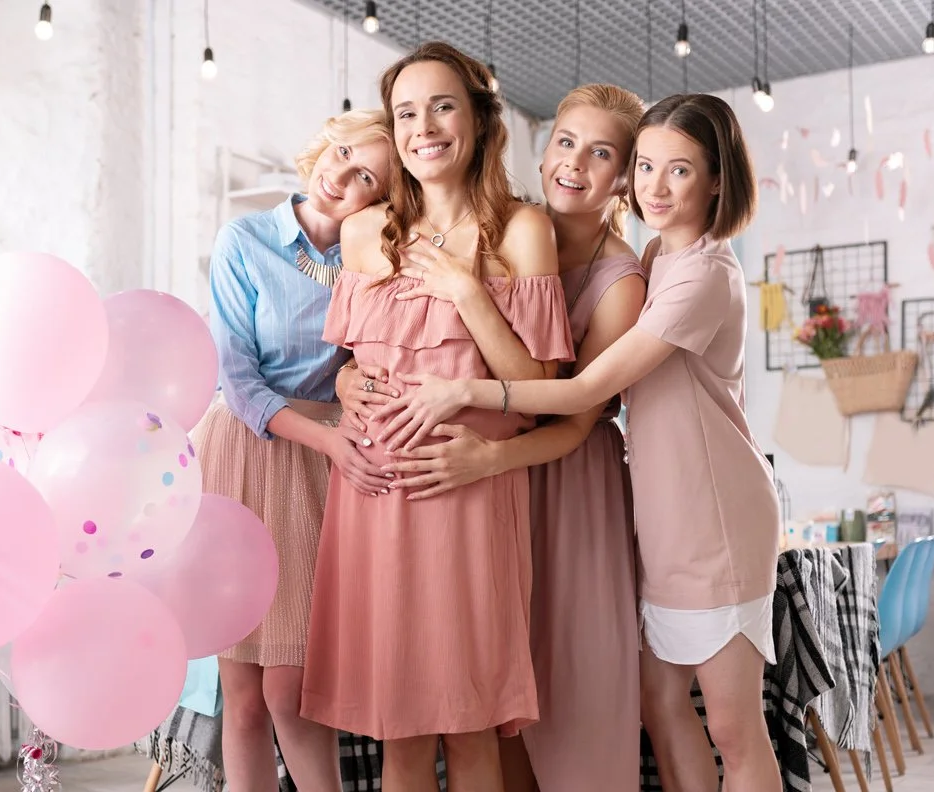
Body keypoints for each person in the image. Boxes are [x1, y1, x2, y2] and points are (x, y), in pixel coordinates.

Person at [377, 93, 783, 792]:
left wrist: (468, 394)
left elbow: (580, 396)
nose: (655, 185)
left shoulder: (673, 274)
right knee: (655, 705)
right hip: (649, 508)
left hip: (701, 514)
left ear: (714, 180)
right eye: (648, 166)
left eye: (672, 170)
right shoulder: (659, 252)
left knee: (727, 726)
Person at [339, 83, 648, 792]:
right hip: (458, 482)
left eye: (601, 153)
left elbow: (566, 410)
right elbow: (365, 352)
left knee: (551, 696)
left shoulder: (603, 273)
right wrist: (347, 382)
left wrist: (469, 300)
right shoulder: (507, 230)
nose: (574, 163)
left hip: (556, 478)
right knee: (448, 712)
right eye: (566, 142)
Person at [300, 42, 574, 792]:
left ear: (480, 121)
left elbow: (537, 389)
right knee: (401, 734)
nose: (425, 127)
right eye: (407, 112)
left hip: (467, 491)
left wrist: (467, 292)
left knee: (470, 724)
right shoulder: (364, 233)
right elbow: (353, 362)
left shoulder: (523, 232)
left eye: (443, 105)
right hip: (373, 498)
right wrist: (350, 381)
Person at [195, 109, 395, 792]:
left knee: (293, 689)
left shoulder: (373, 263)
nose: (342, 174)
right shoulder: (244, 239)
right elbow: (238, 378)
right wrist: (328, 439)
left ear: (383, 197)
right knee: (243, 697)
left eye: (367, 173)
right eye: (342, 152)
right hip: (247, 451)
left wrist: (339, 436)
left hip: (320, 469)